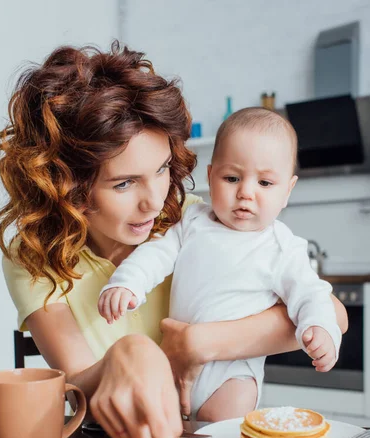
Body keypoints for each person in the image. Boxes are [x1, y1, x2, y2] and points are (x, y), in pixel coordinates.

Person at [0, 43, 348, 438]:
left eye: (161, 169)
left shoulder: (196, 219)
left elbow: (333, 314)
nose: (153, 200)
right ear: (64, 184)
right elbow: (80, 383)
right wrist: (131, 354)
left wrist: (201, 344)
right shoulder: (33, 256)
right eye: (124, 183)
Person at [99, 107, 342, 419]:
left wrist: (320, 327)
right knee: (170, 433)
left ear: (288, 191)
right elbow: (156, 254)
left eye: (265, 184)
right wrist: (127, 283)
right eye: (232, 178)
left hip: (232, 375)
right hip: (174, 365)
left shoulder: (282, 247)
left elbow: (310, 294)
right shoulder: (193, 221)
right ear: (211, 176)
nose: (245, 193)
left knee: (221, 433)